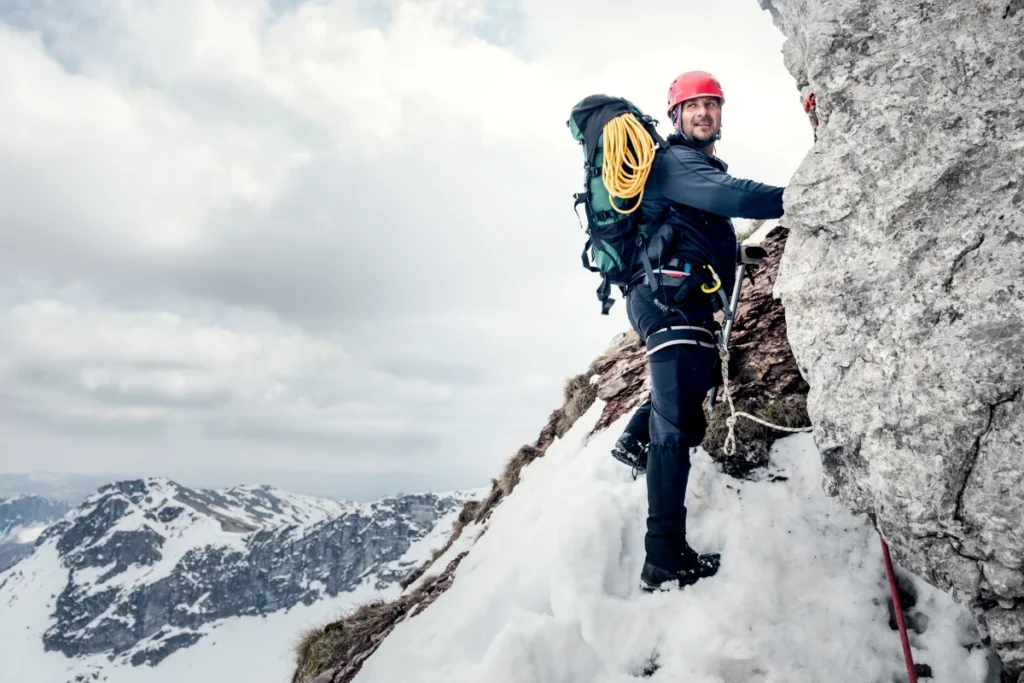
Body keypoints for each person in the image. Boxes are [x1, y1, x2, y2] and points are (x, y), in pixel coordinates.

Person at [614, 70, 786, 592]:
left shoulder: (690, 167)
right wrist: (804, 194)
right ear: (675, 117)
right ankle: (663, 558)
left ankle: (630, 442)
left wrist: (737, 252)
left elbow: (688, 231)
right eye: (693, 106)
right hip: (669, 300)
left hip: (672, 298)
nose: (704, 113)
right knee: (675, 427)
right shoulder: (674, 162)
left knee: (699, 374)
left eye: (712, 104)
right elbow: (732, 197)